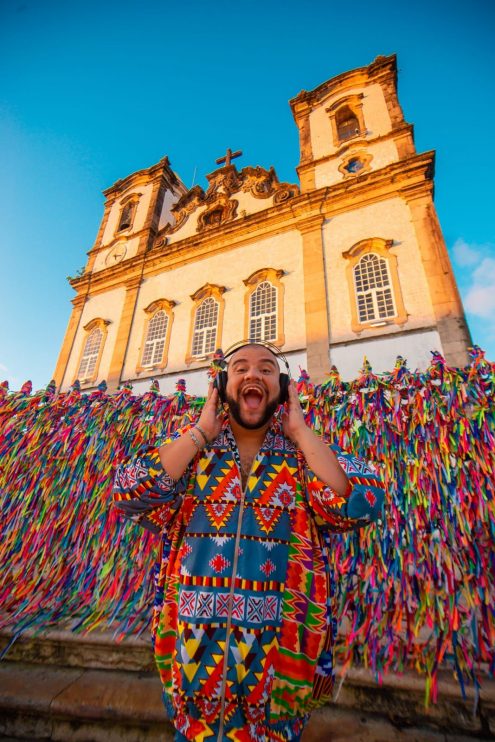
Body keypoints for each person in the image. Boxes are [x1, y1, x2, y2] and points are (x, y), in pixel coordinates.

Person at [113, 343, 385, 741]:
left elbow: (363, 501)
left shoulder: (302, 456)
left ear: (284, 387)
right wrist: (202, 433)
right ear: (223, 384)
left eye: (267, 369)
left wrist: (301, 432)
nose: (253, 375)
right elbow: (129, 492)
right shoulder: (193, 451)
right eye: (239, 368)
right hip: (192, 682)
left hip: (278, 691)